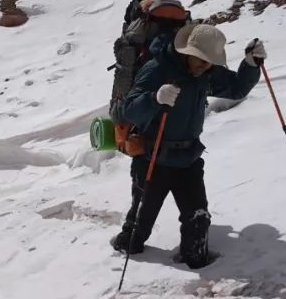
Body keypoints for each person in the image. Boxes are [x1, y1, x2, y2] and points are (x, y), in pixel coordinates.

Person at [110, 23, 266, 267]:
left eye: (209, 62)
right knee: (139, 226)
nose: (206, 66)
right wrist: (154, 98)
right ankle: (126, 249)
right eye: (202, 60)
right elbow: (131, 111)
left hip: (189, 159)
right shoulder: (156, 70)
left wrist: (250, 66)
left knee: (198, 218)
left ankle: (197, 262)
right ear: (186, 53)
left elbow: (235, 89)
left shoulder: (206, 73)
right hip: (153, 158)